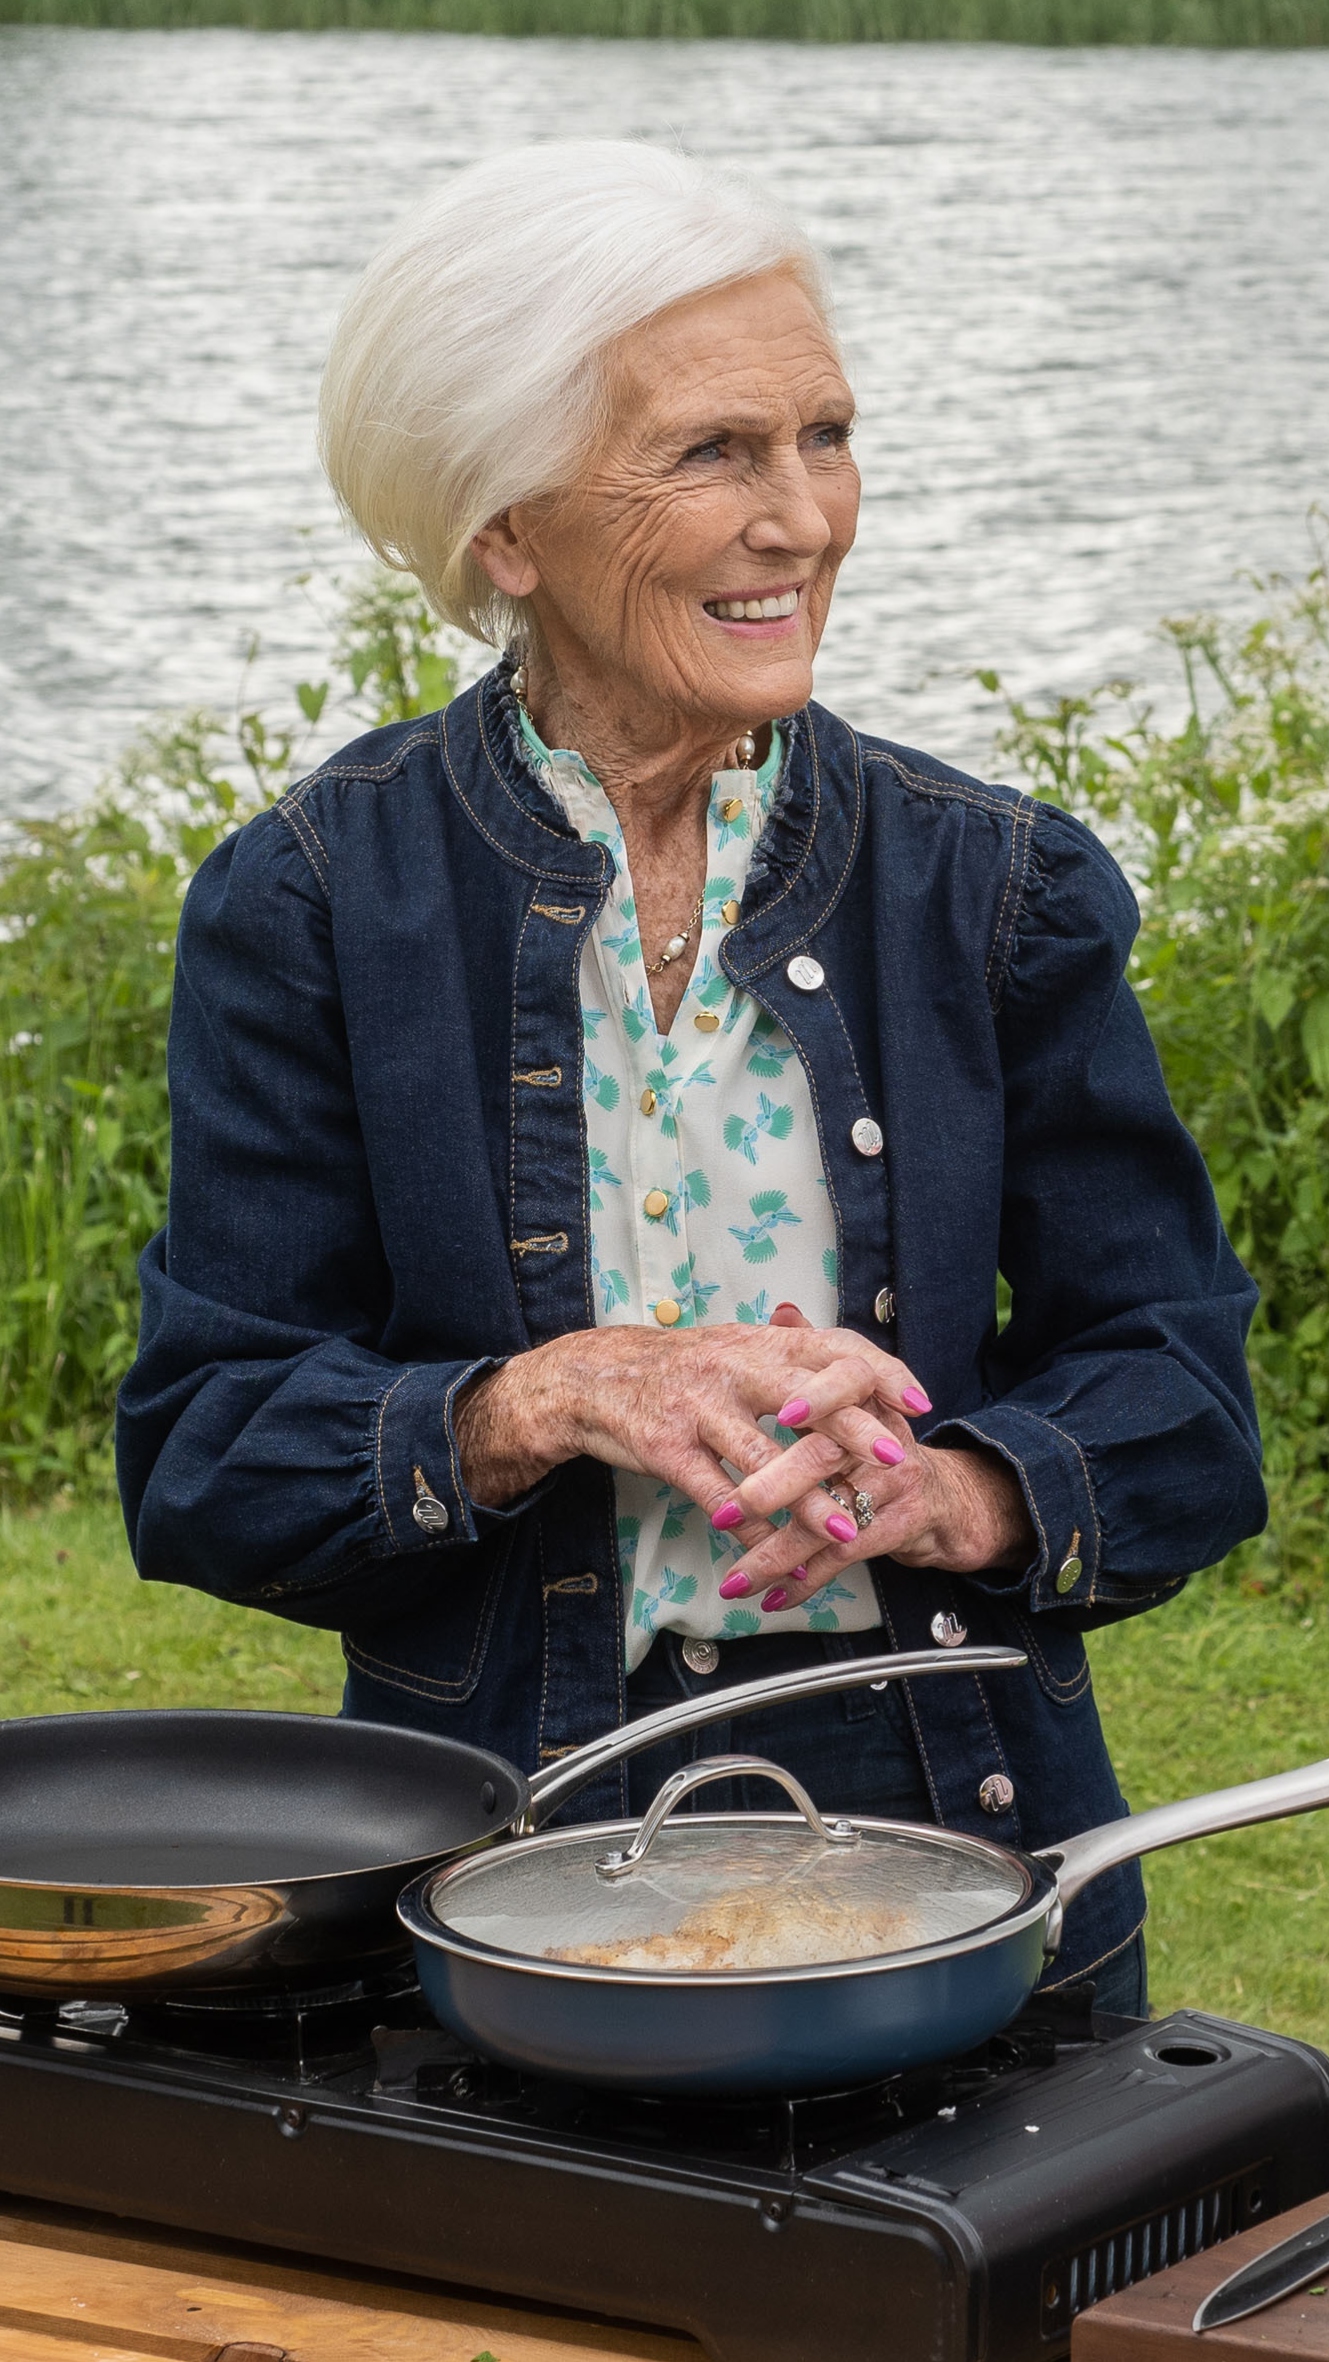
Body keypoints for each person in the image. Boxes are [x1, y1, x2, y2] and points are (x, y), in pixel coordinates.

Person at [116, 141, 1265, 2017]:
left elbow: (1182, 1400)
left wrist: (962, 1489)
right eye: (715, 452)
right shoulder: (319, 897)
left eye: (824, 434)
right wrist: (551, 1396)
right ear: (507, 531)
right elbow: (205, 1451)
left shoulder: (1000, 886)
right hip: (503, 1838)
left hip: (958, 1828)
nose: (802, 518)